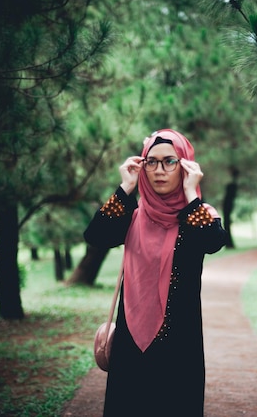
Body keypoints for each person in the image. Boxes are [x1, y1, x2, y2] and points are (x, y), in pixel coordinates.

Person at [84, 128, 227, 417]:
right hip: (130, 344)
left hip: (179, 345)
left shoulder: (198, 215)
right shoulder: (132, 215)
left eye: (170, 162)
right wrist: (125, 188)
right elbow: (97, 236)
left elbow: (212, 242)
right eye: (152, 162)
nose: (159, 170)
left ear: (185, 166)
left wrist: (191, 195)